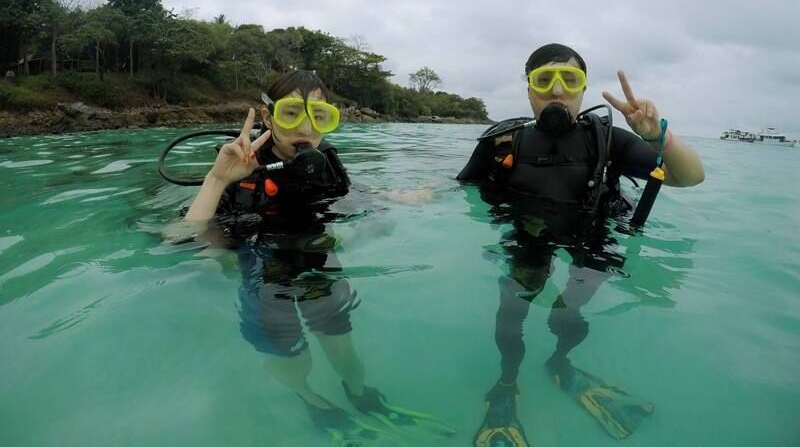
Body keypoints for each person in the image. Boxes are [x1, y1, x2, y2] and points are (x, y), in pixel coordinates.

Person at [182, 70, 453, 444]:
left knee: (343, 347)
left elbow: (351, 197)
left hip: (315, 259)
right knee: (292, 357)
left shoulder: (325, 161)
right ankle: (310, 399)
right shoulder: (236, 164)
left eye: (319, 116)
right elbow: (182, 238)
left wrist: (394, 197)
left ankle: (359, 393)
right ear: (268, 117)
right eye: (292, 113)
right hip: (264, 270)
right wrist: (216, 181)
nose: (305, 128)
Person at [458, 43, 704, 446]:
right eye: (544, 80)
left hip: (590, 240)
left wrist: (661, 136)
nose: (557, 91)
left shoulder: (608, 142)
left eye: (569, 80)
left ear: (583, 89)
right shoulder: (502, 143)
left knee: (566, 317)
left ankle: (560, 364)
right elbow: (458, 188)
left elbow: (690, 177)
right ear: (528, 90)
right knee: (510, 315)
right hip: (528, 238)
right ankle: (506, 385)